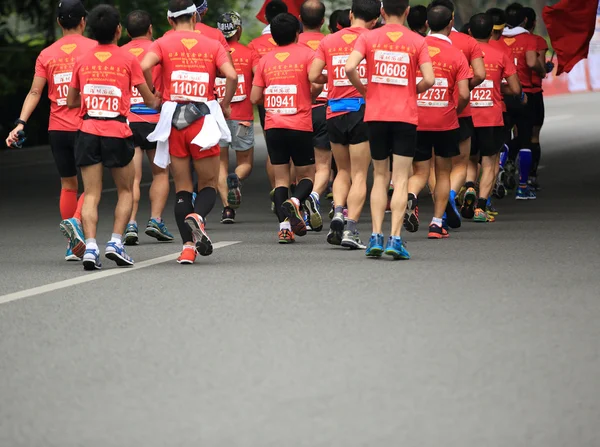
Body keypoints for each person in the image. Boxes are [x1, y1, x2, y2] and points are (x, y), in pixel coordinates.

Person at [141, 0, 238, 264]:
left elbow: (143, 66)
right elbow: (232, 76)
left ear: (171, 20)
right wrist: (226, 104)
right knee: (207, 183)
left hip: (174, 120)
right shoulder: (213, 44)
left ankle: (187, 249)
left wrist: (152, 93)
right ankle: (198, 217)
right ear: (195, 16)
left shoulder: (162, 42)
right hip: (203, 120)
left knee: (183, 188)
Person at [67, 4, 160, 270]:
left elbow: (72, 100)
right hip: (117, 132)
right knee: (125, 190)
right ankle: (116, 243)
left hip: (87, 131)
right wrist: (158, 100)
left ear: (92, 30)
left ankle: (91, 247)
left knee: (92, 193)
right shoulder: (128, 59)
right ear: (119, 30)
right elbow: (148, 98)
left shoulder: (82, 60)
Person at [5, 0, 96, 262]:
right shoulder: (93, 49)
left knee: (68, 185)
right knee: (92, 186)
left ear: (58, 23)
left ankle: (71, 245)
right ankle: (77, 224)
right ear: (83, 21)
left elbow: (35, 92)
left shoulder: (47, 54)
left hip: (57, 129)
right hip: (86, 126)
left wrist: (20, 123)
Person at [346, 0, 434, 260]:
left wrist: (364, 90)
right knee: (402, 179)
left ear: (382, 11)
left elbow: (350, 67)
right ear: (407, 11)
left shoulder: (369, 38)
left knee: (380, 176)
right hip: (405, 117)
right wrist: (411, 90)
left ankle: (375, 236)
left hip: (376, 116)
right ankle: (395, 240)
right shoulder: (418, 41)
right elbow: (429, 79)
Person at [310, 0, 380, 249]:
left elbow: (312, 75)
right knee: (361, 174)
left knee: (342, 171)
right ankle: (351, 228)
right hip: (361, 109)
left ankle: (338, 211)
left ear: (351, 14)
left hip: (334, 110)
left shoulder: (329, 41)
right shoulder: (375, 39)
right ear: (375, 20)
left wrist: (333, 76)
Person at [251, 13, 320, 244]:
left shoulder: (265, 60)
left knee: (281, 180)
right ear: (298, 34)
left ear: (272, 36)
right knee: (308, 175)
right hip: (299, 124)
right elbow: (315, 84)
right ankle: (296, 202)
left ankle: (284, 229)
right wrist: (311, 94)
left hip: (273, 126)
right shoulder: (308, 55)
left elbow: (254, 97)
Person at [406, 5, 471, 239]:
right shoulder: (457, 55)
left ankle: (411, 197)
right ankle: (436, 224)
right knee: (443, 173)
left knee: (420, 171)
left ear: (427, 23)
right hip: (445, 123)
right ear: (451, 22)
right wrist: (454, 110)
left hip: (417, 120)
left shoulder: (415, 48)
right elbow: (464, 93)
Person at [427, 0, 486, 230]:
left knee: (429, 167)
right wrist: (463, 88)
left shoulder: (420, 44)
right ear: (451, 19)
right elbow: (480, 74)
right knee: (461, 163)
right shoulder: (467, 42)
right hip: (459, 112)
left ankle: (439, 206)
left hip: (427, 111)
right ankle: (450, 195)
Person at [121, 10, 174, 246]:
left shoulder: (119, 53)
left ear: (125, 31)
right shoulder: (160, 49)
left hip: (127, 121)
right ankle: (155, 220)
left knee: (132, 177)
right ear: (150, 29)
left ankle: (130, 223)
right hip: (154, 119)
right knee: (160, 172)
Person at [468, 12, 522, 222]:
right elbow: (516, 88)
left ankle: (470, 187)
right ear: (492, 31)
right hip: (491, 116)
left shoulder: (463, 53)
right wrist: (497, 87)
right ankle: (481, 207)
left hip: (467, 115)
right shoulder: (501, 54)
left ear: (470, 32)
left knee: (470, 159)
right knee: (490, 162)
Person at [216, 12, 258, 224]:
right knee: (245, 163)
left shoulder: (214, 52)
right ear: (239, 30)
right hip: (242, 118)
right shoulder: (250, 53)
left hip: (218, 117)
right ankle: (237, 178)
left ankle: (227, 210)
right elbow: (260, 77)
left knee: (220, 165)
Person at [501, 2, 546, 200]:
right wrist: (542, 70)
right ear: (526, 20)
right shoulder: (528, 39)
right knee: (526, 139)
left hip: (502, 95)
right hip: (525, 94)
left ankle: (498, 175)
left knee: (500, 137)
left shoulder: (497, 39)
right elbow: (530, 62)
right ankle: (522, 187)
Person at [248, 0, 289, 196]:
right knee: (295, 150)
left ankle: (277, 191)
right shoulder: (295, 42)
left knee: (274, 148)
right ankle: (295, 192)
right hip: (293, 99)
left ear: (265, 18)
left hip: (267, 102)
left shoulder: (254, 45)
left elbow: (255, 76)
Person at [298, 0, 329, 233]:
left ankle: (297, 204)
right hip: (324, 109)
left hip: (297, 112)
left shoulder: (292, 42)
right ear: (323, 21)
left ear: (300, 20)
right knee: (323, 166)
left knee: (299, 167)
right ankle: (316, 197)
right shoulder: (331, 43)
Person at [522, 6, 551, 191]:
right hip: (532, 93)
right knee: (533, 136)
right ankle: (530, 176)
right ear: (532, 23)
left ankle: (506, 168)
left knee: (516, 135)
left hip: (512, 94)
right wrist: (545, 70)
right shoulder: (536, 41)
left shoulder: (504, 41)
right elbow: (537, 64)